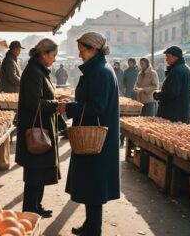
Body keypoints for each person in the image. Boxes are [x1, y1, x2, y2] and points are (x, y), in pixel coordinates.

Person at [57, 32, 120, 236]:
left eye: (83, 51)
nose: (80, 55)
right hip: (92, 135)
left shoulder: (100, 72)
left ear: (93, 50)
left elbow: (96, 106)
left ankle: (93, 229)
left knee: (94, 183)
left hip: (95, 136)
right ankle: (91, 225)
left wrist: (70, 107)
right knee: (92, 184)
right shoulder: (99, 69)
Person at [15, 38, 60, 218]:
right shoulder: (34, 71)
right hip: (35, 130)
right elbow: (34, 102)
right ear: (44, 54)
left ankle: (36, 206)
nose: (55, 59)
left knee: (39, 172)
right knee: (35, 173)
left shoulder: (39, 70)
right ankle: (30, 210)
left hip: (41, 127)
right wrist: (56, 104)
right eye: (53, 55)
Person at [153, 46, 190, 124]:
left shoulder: (176, 71)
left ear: (175, 57)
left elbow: (172, 92)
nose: (166, 59)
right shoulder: (186, 69)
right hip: (182, 112)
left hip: (172, 113)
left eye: (168, 56)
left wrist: (158, 95)